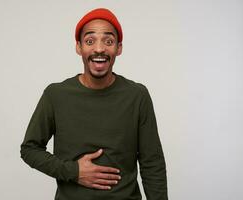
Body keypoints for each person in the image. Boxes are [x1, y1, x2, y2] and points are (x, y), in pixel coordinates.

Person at [20, 8, 168, 200]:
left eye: (109, 41)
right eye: (90, 41)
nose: (99, 49)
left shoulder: (137, 95)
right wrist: (73, 171)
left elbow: (152, 162)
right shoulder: (56, 95)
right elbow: (30, 149)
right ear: (79, 47)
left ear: (119, 48)